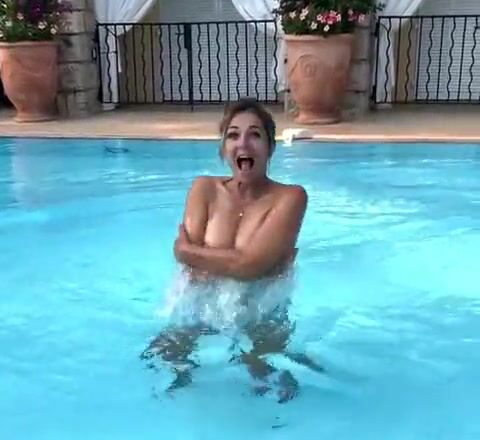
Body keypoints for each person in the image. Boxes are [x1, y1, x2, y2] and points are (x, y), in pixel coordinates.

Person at [141, 98, 322, 403]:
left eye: (255, 135)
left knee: (275, 390)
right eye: (233, 135)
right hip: (199, 307)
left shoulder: (291, 198)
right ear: (224, 148)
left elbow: (249, 266)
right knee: (158, 366)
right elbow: (201, 269)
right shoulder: (204, 189)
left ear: (270, 147)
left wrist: (187, 251)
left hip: (263, 312)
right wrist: (227, 262)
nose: (243, 144)